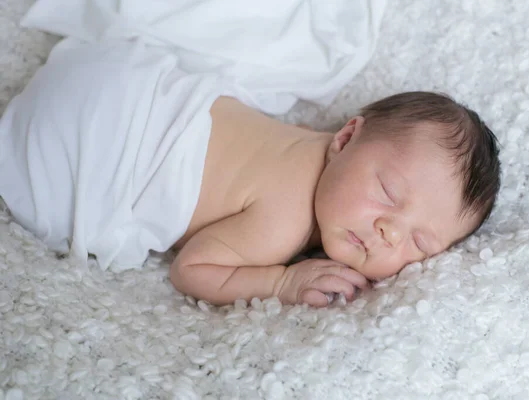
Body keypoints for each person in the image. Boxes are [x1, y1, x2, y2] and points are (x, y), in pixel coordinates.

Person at [0, 42, 501, 307]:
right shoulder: (281, 222)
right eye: (389, 191)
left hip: (113, 76)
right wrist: (279, 284)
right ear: (345, 138)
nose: (391, 233)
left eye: (419, 244)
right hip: (85, 141)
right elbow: (191, 270)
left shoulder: (309, 139)